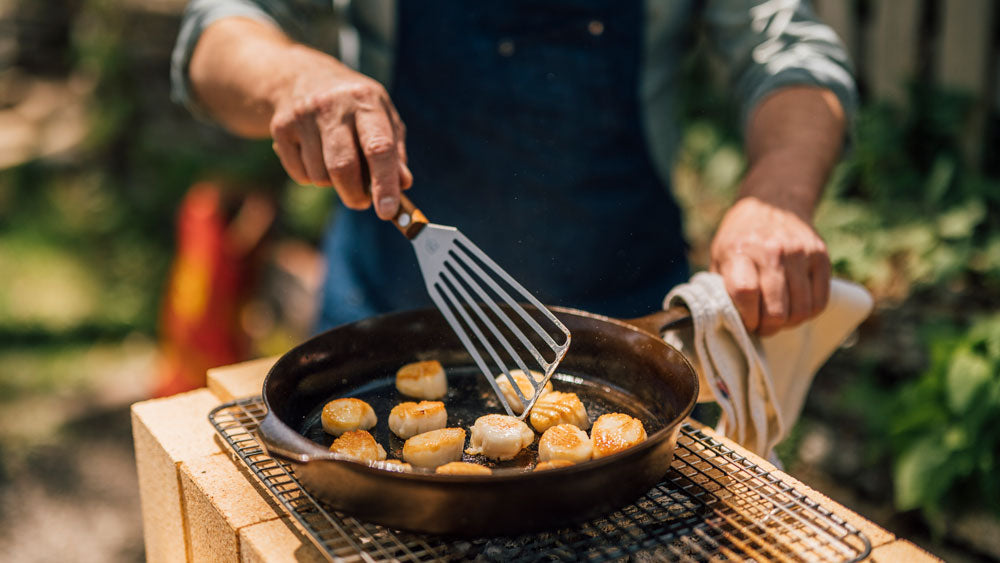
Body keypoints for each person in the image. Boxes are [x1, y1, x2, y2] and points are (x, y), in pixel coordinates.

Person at [171, 0, 855, 336]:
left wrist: (776, 195)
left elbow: (789, 52)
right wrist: (290, 77)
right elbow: (216, 34)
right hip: (382, 324)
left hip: (626, 329)